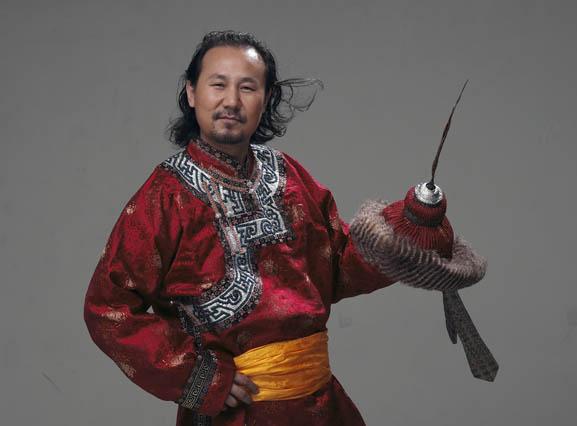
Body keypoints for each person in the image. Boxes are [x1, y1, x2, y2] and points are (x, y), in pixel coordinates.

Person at [84, 30, 398, 426]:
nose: (231, 101)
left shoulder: (288, 174)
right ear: (192, 92)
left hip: (321, 408)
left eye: (247, 87)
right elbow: (107, 308)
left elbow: (338, 266)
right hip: (234, 415)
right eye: (218, 84)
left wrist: (409, 229)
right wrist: (199, 379)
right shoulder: (165, 194)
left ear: (266, 99)